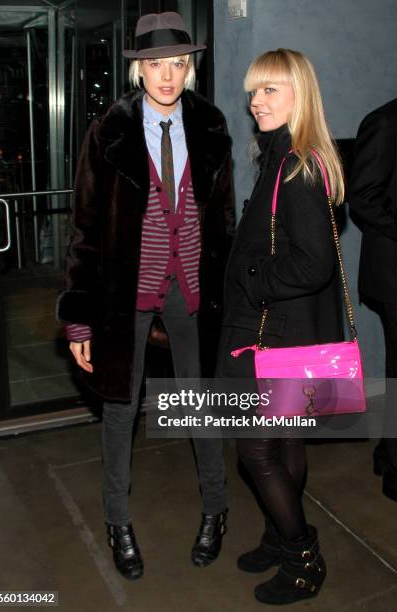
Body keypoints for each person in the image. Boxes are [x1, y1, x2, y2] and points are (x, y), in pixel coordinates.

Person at [56, 12, 234, 580]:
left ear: (190, 68)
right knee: (120, 407)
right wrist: (79, 322)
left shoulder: (210, 126)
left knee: (198, 402)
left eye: (177, 63)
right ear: (138, 70)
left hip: (190, 289)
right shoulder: (107, 132)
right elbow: (84, 230)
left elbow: (223, 223)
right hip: (123, 293)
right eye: (155, 64)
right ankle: (117, 521)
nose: (167, 75)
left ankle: (215, 509)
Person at [216, 49, 345, 605]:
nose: (255, 101)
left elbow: (313, 264)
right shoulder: (285, 156)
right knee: (286, 439)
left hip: (272, 333)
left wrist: (250, 272)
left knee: (255, 451)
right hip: (288, 330)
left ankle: (303, 556)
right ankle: (278, 533)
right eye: (253, 91)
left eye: (270, 90)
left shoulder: (295, 166)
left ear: (299, 94)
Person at [348, 99, 397, 502]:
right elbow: (362, 197)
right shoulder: (384, 120)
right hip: (392, 274)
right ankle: (395, 469)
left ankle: (387, 451)